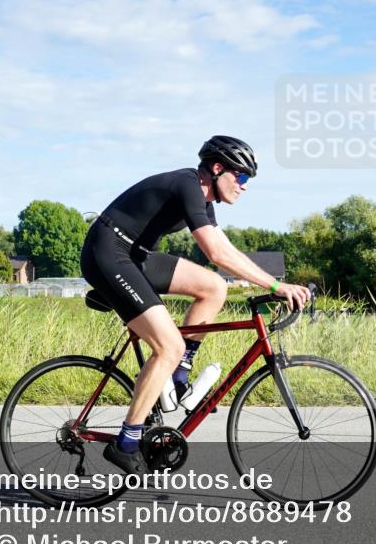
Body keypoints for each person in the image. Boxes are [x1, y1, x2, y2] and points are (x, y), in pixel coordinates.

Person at [80, 135, 311, 474]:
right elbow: (215, 254)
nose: (245, 186)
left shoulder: (204, 200)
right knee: (168, 345)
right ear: (218, 169)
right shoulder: (189, 185)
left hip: (134, 256)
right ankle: (126, 442)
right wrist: (276, 285)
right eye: (242, 177)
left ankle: (178, 375)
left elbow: (225, 249)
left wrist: (272, 283)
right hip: (108, 254)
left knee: (214, 287)